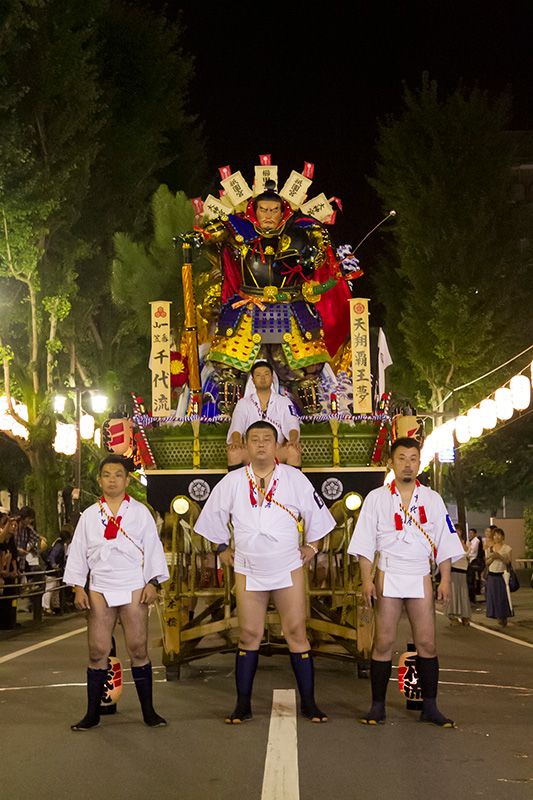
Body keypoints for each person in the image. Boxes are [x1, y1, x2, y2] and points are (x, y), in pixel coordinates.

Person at [194, 420, 335, 724]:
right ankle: (242, 704)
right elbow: (211, 517)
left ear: (277, 446)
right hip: (249, 566)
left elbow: (318, 516)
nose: (260, 444)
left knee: (296, 632)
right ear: (246, 446)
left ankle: (309, 703)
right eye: (254, 439)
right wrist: (222, 548)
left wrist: (312, 547)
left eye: (267, 439)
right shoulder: (232, 481)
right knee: (249, 635)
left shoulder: (294, 479)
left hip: (287, 564)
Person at [191, 181, 359, 414]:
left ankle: (312, 421)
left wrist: (317, 248)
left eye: (274, 210)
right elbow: (211, 234)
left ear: (283, 211)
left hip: (291, 308)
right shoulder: (238, 230)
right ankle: (226, 419)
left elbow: (320, 258)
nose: (268, 215)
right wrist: (198, 236)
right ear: (254, 210)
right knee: (230, 369)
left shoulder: (300, 232)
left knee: (305, 372)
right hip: (248, 308)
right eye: (263, 209)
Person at [347, 437, 464, 728]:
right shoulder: (376, 498)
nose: (407, 464)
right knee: (383, 641)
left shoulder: (432, 499)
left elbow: (445, 542)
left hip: (419, 572)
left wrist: (445, 579)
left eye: (413, 458)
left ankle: (430, 706)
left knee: (427, 642)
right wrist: (366, 580)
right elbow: (364, 543)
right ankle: (377, 706)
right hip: (388, 570)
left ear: (419, 463)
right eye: (402, 458)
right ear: (392, 462)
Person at [63, 455, 169, 731]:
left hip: (133, 582)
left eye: (118, 475)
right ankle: (92, 714)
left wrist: (152, 582)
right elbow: (78, 551)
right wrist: (78, 586)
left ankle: (149, 712)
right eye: (107, 475)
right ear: (100, 480)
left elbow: (153, 547)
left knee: (138, 648)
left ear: (126, 480)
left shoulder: (140, 513)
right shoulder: (89, 515)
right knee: (97, 650)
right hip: (100, 585)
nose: (112, 480)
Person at [227, 360, 301, 468]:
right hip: (251, 452)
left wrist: (293, 440)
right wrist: (236, 442)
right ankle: (237, 480)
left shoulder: (284, 401)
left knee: (293, 451)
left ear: (272, 378)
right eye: (258, 375)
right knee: (234, 453)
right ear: (253, 380)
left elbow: (292, 425)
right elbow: (237, 427)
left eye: (266, 374)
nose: (262, 378)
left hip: (276, 451)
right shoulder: (243, 403)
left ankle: (291, 480)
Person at [485, 527, 513, 627]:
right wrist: (493, 557)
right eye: (495, 535)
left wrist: (500, 557)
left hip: (502, 575)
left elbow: (508, 562)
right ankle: (496, 615)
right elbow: (487, 563)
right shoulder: (490, 548)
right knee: (493, 597)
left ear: (503, 536)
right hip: (492, 575)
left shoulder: (507, 548)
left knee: (502, 597)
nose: (497, 537)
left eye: (499, 535)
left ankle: (503, 616)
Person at [42, 524, 73, 616]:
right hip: (52, 571)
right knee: (50, 588)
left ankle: (55, 605)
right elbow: (52, 557)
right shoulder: (59, 546)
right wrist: (54, 565)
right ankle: (46, 606)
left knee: (55, 589)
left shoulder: (59, 544)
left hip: (56, 571)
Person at [447, 525, 471, 626]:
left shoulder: (466, 542)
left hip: (463, 570)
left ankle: (465, 615)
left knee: (463, 594)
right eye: (455, 530)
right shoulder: (449, 543)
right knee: (454, 593)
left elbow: (468, 553)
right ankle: (452, 616)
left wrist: (462, 543)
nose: (457, 532)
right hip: (453, 570)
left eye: (459, 530)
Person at [466, 527, 484, 603]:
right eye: (469, 533)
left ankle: (474, 595)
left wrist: (468, 548)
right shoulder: (471, 541)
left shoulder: (476, 541)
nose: (470, 534)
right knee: (472, 579)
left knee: (472, 580)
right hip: (470, 560)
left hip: (473, 561)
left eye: (471, 533)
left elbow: (472, 551)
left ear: (475, 534)